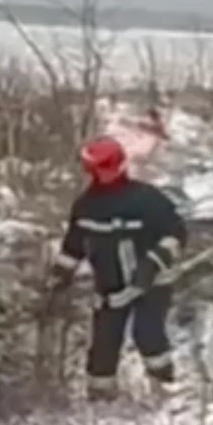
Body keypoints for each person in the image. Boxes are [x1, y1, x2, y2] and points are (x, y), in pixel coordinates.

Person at [45, 135, 186, 401]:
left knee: (148, 334)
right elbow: (73, 246)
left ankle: (164, 389)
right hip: (110, 287)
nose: (106, 172)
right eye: (100, 167)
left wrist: (153, 263)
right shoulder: (86, 207)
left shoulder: (147, 199)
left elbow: (176, 234)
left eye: (110, 165)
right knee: (103, 345)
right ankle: (101, 401)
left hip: (150, 282)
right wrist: (60, 275)